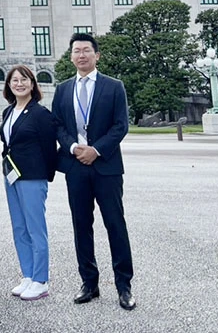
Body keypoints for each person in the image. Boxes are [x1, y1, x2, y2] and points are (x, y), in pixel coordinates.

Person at [53, 32, 136, 311]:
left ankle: (124, 285)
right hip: (76, 166)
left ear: (96, 55)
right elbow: (58, 125)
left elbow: (120, 125)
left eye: (86, 50)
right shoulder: (63, 89)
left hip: (106, 166)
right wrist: (73, 147)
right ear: (71, 56)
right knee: (81, 226)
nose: (81, 55)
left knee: (115, 224)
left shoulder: (114, 86)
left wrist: (96, 150)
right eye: (76, 51)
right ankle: (89, 282)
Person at [0, 65, 57, 302]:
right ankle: (28, 274)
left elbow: (49, 147)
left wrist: (46, 175)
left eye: (24, 80)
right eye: (14, 80)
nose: (19, 84)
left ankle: (41, 280)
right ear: (9, 85)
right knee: (19, 227)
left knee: (35, 228)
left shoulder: (40, 113)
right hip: (12, 176)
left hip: (33, 177)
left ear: (32, 84)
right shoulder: (8, 111)